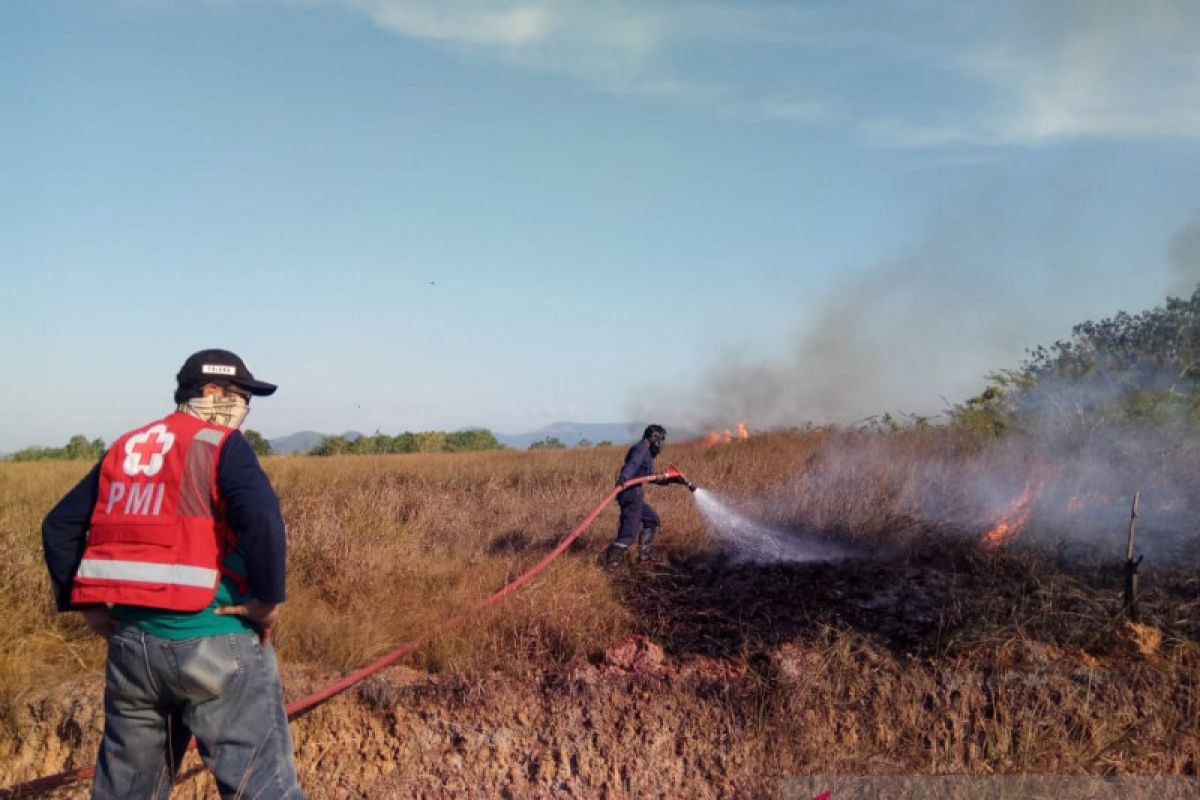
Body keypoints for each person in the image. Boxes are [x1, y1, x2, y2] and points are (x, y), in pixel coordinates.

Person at [41, 349, 304, 800]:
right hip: (215, 639)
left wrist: (87, 607)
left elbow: (59, 526)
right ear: (211, 392)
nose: (245, 408)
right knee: (261, 789)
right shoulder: (218, 443)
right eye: (241, 395)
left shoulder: (126, 448)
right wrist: (267, 600)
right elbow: (261, 517)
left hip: (133, 650)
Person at [603, 424, 669, 570]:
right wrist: (624, 477)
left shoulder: (647, 453)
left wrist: (669, 480)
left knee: (652, 520)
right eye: (660, 439)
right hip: (630, 493)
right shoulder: (641, 448)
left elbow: (648, 476)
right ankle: (610, 565)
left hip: (635, 493)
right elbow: (632, 464)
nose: (661, 444)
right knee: (628, 535)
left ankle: (645, 554)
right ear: (653, 437)